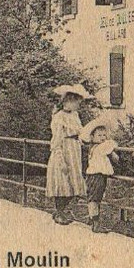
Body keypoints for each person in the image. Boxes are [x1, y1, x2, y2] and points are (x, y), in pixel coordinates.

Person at [45, 91, 86, 224]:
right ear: (67, 101)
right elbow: (56, 139)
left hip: (74, 150)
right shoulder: (58, 117)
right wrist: (59, 157)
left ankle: (59, 212)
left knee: (75, 184)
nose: (78, 105)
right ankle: (60, 212)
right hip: (63, 149)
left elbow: (81, 132)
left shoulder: (75, 115)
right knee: (62, 182)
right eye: (76, 102)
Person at [82, 122, 119, 233]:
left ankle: (92, 218)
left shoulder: (93, 147)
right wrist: (113, 153)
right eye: (99, 135)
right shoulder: (102, 147)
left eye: (104, 135)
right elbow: (114, 146)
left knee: (94, 197)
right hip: (96, 176)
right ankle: (96, 224)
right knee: (95, 198)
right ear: (92, 137)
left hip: (95, 175)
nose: (103, 138)